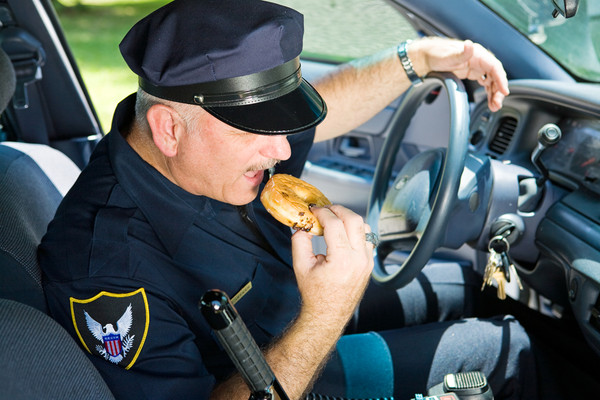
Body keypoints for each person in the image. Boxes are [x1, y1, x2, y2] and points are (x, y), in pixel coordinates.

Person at [39, 1, 537, 399]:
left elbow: (323, 107)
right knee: (509, 349)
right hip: (280, 373)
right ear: (168, 129)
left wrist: (419, 58)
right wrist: (324, 314)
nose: (282, 150)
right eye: (258, 132)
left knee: (470, 282)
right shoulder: (104, 270)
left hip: (295, 303)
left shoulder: (203, 140)